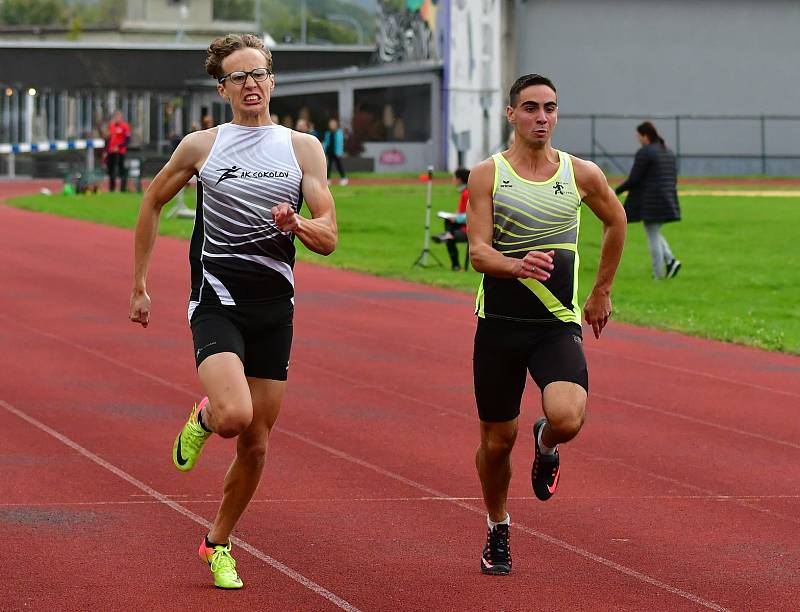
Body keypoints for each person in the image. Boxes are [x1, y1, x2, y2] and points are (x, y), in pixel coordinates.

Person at [128, 33, 337, 589]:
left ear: (272, 80)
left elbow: (330, 236)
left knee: (257, 443)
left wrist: (299, 226)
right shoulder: (202, 146)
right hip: (217, 302)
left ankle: (216, 542)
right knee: (235, 415)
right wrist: (140, 284)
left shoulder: (303, 148)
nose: (251, 84)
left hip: (275, 308)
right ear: (222, 88)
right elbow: (152, 200)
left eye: (259, 74)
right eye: (239, 77)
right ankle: (204, 417)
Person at [467, 74, 626, 575]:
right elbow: (477, 252)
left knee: (568, 417)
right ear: (511, 114)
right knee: (495, 443)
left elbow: (616, 221)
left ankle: (545, 444)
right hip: (499, 326)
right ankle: (498, 527)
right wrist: (515, 265)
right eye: (531, 108)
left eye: (550, 108)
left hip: (555, 324)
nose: (542, 117)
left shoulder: (581, 174)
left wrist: (600, 291)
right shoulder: (487, 174)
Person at [615, 121, 682, 279]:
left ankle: (657, 274)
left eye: (639, 136)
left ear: (645, 136)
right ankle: (671, 261)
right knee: (655, 232)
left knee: (652, 236)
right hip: (667, 198)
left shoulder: (645, 152)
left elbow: (634, 179)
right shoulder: (668, 152)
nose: (638, 139)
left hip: (651, 201)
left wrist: (615, 191)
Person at [433, 167, 470, 271]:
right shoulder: (465, 192)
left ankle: (455, 265)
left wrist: (457, 218)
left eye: (454, 177)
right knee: (448, 221)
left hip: (468, 228)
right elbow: (461, 211)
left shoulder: (466, 194)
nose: (452, 180)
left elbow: (470, 215)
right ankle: (448, 234)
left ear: (459, 179)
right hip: (463, 225)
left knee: (449, 236)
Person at [105, 110, 131, 192]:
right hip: (111, 151)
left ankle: (123, 188)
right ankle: (112, 188)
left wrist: (119, 147)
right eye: (115, 117)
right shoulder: (111, 126)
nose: (116, 118)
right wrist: (106, 151)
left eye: (118, 117)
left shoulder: (125, 126)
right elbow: (109, 139)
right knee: (110, 170)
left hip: (120, 152)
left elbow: (127, 139)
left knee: (121, 170)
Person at [322, 117, 348, 185]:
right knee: (328, 166)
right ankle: (327, 179)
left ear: (336, 125)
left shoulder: (339, 133)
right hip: (329, 152)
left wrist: (340, 152)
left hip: (336, 152)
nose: (332, 125)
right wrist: (324, 151)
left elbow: (340, 143)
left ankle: (344, 178)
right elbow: (326, 142)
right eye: (331, 124)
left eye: (333, 124)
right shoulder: (328, 133)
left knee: (339, 165)